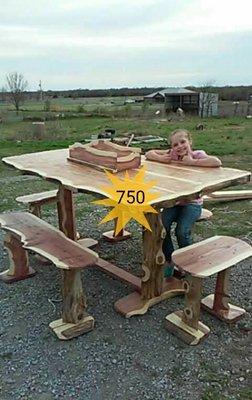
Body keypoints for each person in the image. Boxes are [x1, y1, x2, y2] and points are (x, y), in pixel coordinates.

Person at [145, 129, 222, 279]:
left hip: (192, 204)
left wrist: (193, 163)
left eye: (182, 142)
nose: (179, 146)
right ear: (172, 147)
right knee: (161, 227)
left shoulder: (197, 155)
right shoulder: (172, 155)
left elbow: (217, 162)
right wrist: (162, 159)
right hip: (174, 202)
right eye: (175, 144)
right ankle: (170, 259)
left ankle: (188, 263)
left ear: (189, 142)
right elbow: (149, 153)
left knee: (182, 230)